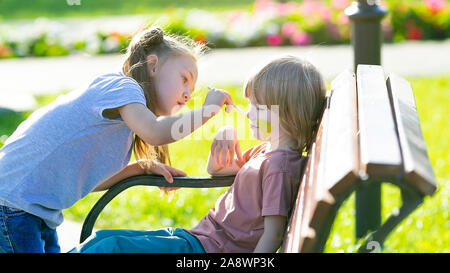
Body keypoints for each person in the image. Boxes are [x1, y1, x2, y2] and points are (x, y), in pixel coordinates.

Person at [0, 26, 235, 253]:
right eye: (184, 79)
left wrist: (138, 168)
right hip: (13, 205)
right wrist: (207, 111)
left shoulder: (123, 118)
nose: (188, 93)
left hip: (29, 208)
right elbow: (155, 131)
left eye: (192, 88)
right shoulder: (123, 87)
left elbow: (83, 182)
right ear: (152, 65)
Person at [69, 55, 327, 253]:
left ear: (287, 113)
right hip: (198, 239)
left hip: (208, 249)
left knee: (110, 247)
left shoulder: (279, 167)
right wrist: (226, 133)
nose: (248, 113)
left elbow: (273, 234)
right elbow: (216, 170)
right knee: (102, 241)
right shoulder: (268, 152)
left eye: (258, 107)